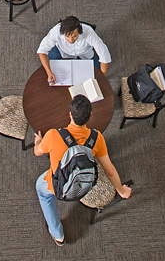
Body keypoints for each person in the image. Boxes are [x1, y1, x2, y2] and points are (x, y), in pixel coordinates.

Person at [34, 94, 132, 246]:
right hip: (85, 184)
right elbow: (110, 170)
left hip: (59, 186)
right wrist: (121, 190)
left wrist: (39, 142)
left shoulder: (53, 135)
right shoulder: (97, 138)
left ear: (70, 114)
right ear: (90, 115)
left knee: (41, 189)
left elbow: (37, 152)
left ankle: (57, 233)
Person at [37, 16, 112, 84]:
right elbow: (42, 51)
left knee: (97, 75)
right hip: (62, 51)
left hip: (84, 53)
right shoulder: (56, 31)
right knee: (44, 73)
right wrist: (49, 72)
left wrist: (103, 77)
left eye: (74, 36)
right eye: (67, 36)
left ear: (79, 32)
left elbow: (104, 56)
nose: (71, 40)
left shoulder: (89, 33)